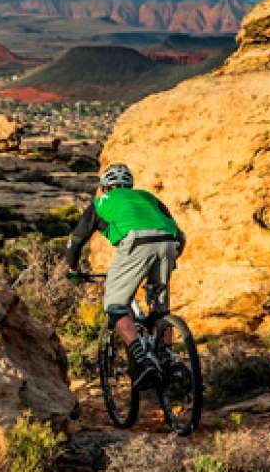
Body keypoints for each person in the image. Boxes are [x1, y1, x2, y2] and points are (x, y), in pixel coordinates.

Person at [64, 163, 185, 387]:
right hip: (169, 243)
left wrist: (72, 269)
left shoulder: (101, 202)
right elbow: (181, 235)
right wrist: (171, 260)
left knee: (115, 304)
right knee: (159, 309)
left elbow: (77, 240)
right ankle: (169, 359)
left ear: (105, 188)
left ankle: (142, 360)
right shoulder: (148, 198)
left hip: (137, 242)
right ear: (130, 185)